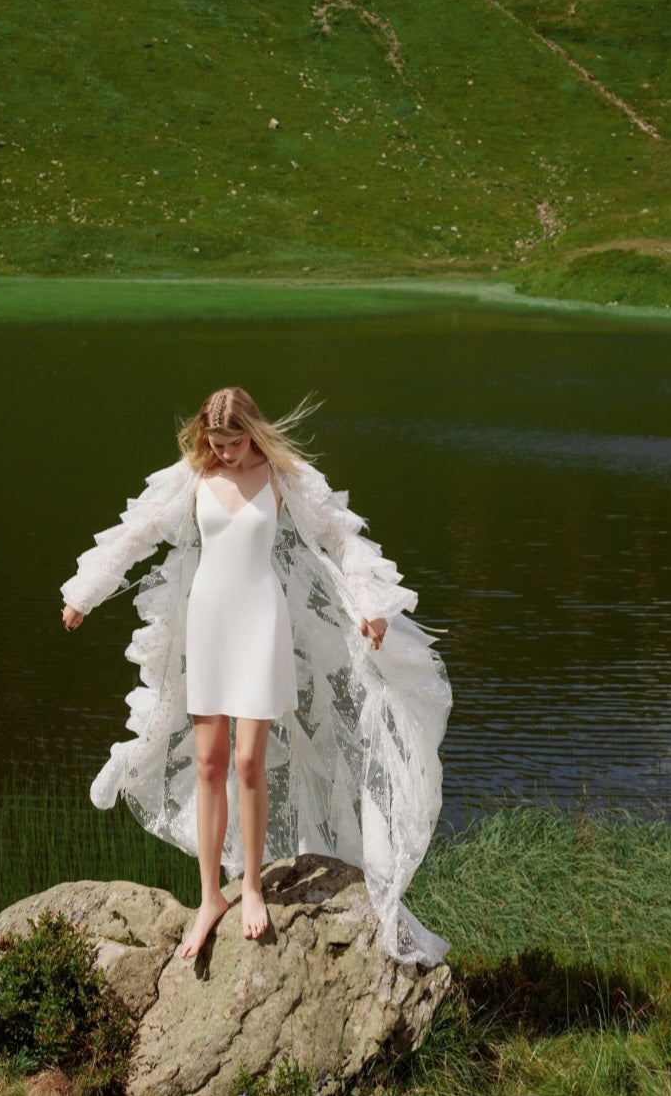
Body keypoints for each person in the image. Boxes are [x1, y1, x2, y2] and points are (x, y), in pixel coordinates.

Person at [61, 386, 452, 966]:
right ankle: (208, 895)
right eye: (216, 444)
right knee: (211, 761)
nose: (225, 453)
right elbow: (135, 532)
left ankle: (249, 886)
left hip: (261, 622)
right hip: (208, 624)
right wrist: (85, 593)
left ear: (253, 431)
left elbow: (340, 536)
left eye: (236, 442)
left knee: (249, 761)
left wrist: (373, 604)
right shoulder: (190, 478)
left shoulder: (282, 478)